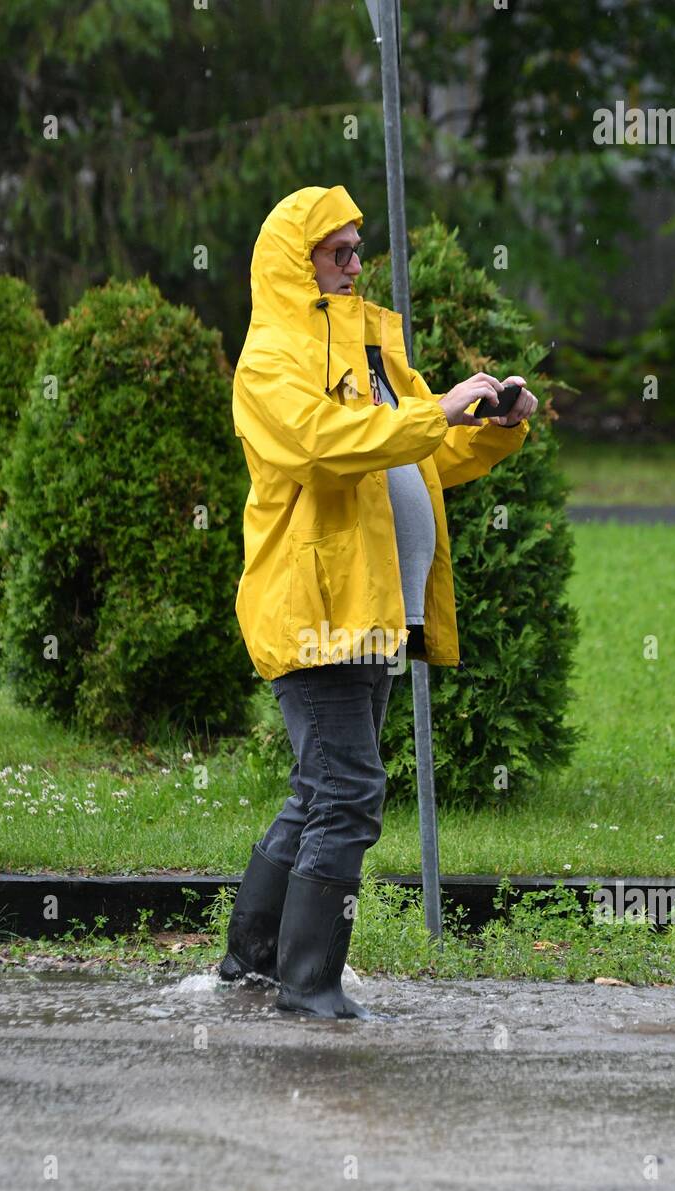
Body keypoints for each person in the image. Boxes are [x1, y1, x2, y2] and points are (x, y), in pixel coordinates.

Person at [221, 184, 537, 1020]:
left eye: (360, 250)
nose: (357, 266)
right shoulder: (270, 361)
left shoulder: (372, 352)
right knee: (351, 796)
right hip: (314, 614)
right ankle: (308, 987)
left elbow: (419, 458)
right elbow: (326, 448)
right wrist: (435, 411)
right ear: (301, 263)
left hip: (373, 613)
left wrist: (492, 424)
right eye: (340, 252)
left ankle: (250, 965)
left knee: (318, 792)